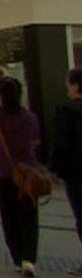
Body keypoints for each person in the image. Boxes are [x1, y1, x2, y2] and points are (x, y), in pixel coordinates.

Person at [0, 77, 41, 277]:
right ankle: (29, 259)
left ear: (0, 95)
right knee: (29, 216)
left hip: (2, 173)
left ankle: (17, 256)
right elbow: (36, 141)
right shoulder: (30, 118)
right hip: (28, 174)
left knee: (8, 216)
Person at [50, 68, 82, 276]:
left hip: (76, 172)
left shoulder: (66, 110)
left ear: (75, 85)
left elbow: (61, 143)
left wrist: (54, 169)